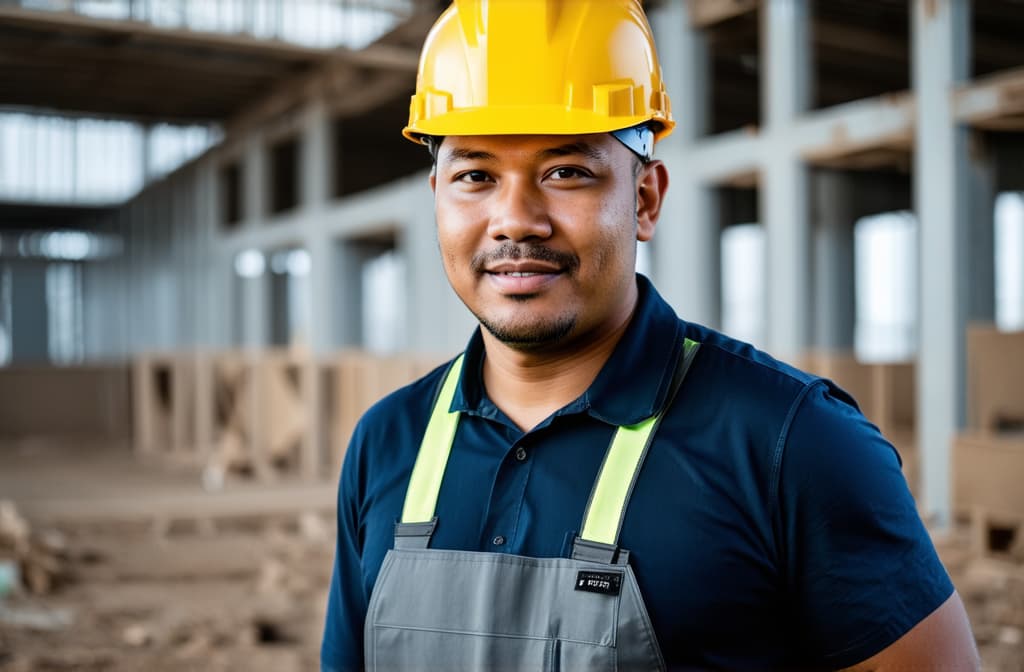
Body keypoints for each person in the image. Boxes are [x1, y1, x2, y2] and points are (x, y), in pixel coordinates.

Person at [321, 1, 979, 670]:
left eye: (565, 172)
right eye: (475, 177)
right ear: (437, 196)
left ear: (644, 199)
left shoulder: (793, 444)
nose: (515, 220)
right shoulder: (387, 443)